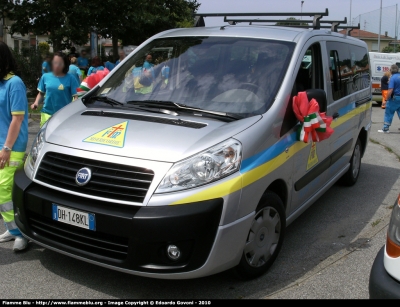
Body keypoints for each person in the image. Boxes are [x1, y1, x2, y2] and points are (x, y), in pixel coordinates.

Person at [0, 41, 29, 251]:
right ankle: (12, 228)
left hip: (11, 146)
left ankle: (21, 232)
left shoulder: (14, 83)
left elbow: (16, 119)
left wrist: (7, 148)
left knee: (5, 189)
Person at [31, 52, 80, 127]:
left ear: (65, 65)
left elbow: (76, 96)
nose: (57, 66)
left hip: (64, 115)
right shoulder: (45, 77)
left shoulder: (70, 78)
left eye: (60, 64)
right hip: (47, 113)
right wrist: (36, 103)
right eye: (55, 63)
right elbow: (41, 93)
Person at [379, 64, 400, 133]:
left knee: (389, 112)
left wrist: (385, 99)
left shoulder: (392, 78)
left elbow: (390, 90)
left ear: (391, 70)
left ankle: (385, 128)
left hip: (394, 98)